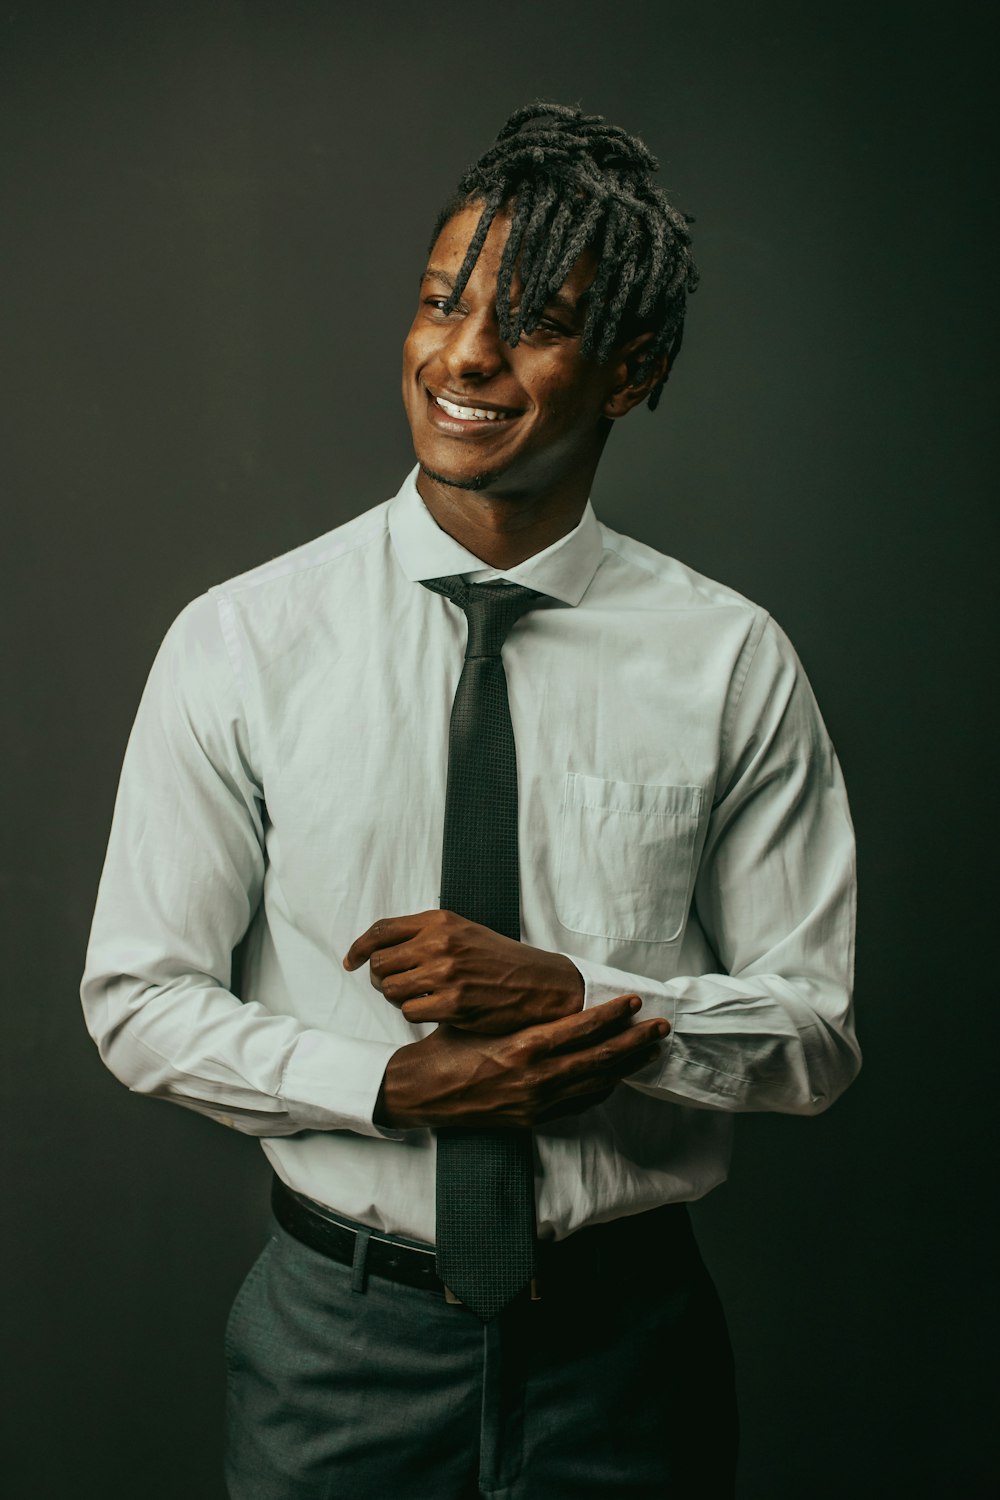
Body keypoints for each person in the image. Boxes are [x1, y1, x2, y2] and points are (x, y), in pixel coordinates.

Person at [81, 102, 860, 1499]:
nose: (466, 356)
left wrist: (573, 996)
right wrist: (386, 1082)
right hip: (337, 1346)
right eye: (441, 304)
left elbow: (812, 1040)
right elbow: (139, 999)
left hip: (627, 1350)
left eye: (533, 322)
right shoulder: (243, 641)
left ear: (635, 370)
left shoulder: (729, 659)